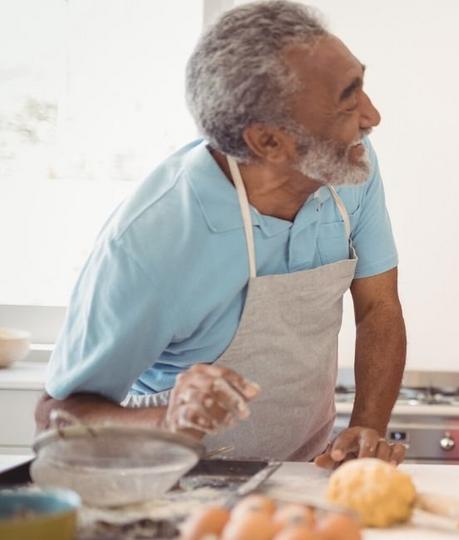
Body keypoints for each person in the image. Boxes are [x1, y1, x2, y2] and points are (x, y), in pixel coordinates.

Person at [35, 0, 407, 466]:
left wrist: (366, 428)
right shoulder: (150, 243)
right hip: (172, 486)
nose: (372, 116)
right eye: (348, 101)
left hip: (296, 475)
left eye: (361, 86)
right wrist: (169, 418)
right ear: (269, 141)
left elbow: (379, 308)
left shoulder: (351, 166)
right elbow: (55, 414)